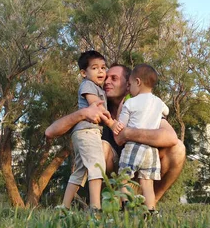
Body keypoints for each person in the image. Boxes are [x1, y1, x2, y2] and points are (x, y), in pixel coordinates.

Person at [45, 64, 185, 204]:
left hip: (139, 173)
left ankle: (150, 203)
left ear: (128, 84)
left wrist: (127, 133)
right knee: (102, 146)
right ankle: (111, 202)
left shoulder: (141, 108)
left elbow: (171, 137)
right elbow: (50, 131)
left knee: (178, 149)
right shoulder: (96, 108)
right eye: (106, 78)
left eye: (114, 78)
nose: (107, 82)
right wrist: (82, 113)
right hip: (114, 175)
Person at [61, 51, 123, 211]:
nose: (101, 71)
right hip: (87, 131)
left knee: (80, 171)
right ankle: (95, 208)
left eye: (103, 67)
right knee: (97, 167)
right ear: (83, 73)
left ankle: (63, 208)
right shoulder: (88, 85)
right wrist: (112, 124)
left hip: (86, 132)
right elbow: (97, 107)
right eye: (95, 68)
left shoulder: (96, 87)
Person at [117, 64, 168, 212]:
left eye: (130, 84)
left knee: (123, 178)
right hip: (151, 149)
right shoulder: (158, 102)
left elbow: (121, 125)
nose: (129, 88)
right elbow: (167, 111)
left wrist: (121, 109)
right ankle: (151, 210)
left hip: (134, 146)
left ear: (138, 82)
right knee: (147, 182)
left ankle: (125, 205)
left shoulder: (130, 102)